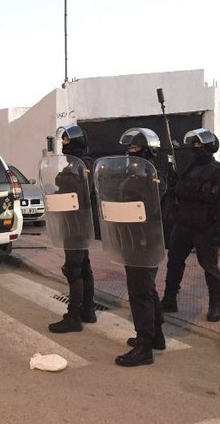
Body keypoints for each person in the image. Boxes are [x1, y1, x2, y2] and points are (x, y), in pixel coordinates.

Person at [95, 128, 166, 366]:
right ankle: (156, 336)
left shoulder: (157, 175)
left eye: (135, 148)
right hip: (132, 237)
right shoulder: (135, 173)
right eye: (129, 147)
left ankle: (144, 347)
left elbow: (151, 204)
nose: (130, 151)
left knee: (139, 290)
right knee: (146, 288)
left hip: (145, 239)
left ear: (147, 149)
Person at [161, 129, 220, 322]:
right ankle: (169, 299)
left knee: (209, 266)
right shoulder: (188, 169)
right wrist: (173, 182)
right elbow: (177, 194)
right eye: (193, 145)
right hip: (183, 224)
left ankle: (215, 306)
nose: (195, 149)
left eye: (199, 145)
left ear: (210, 147)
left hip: (206, 227)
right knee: (174, 262)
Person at [46, 125, 98, 334]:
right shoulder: (72, 165)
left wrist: (62, 181)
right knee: (83, 266)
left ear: (76, 141)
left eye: (67, 140)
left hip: (78, 222)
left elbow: (78, 186)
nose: (63, 143)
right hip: (73, 221)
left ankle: (74, 317)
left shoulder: (84, 164)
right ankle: (88, 310)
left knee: (74, 269)